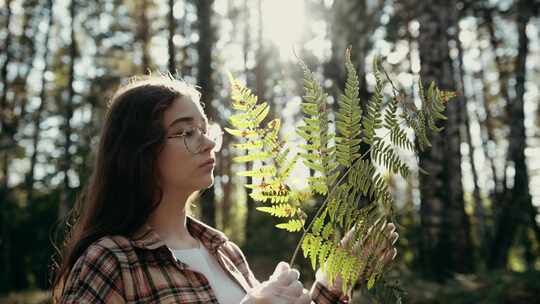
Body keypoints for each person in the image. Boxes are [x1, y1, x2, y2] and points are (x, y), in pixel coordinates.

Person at [51, 75, 398, 304]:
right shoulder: (111, 261)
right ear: (139, 151)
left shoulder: (224, 251)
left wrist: (331, 283)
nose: (208, 144)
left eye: (205, 130)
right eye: (186, 132)